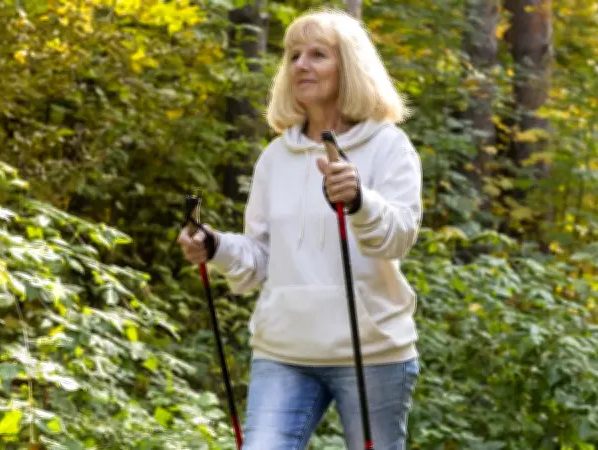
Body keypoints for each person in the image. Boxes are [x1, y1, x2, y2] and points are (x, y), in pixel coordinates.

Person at [177, 8, 423, 450]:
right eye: (292, 56)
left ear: (349, 66)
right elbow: (260, 257)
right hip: (284, 351)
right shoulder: (276, 156)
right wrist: (214, 246)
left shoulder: (389, 146)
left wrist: (360, 200)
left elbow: (399, 237)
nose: (301, 65)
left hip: (372, 354)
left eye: (317, 54)